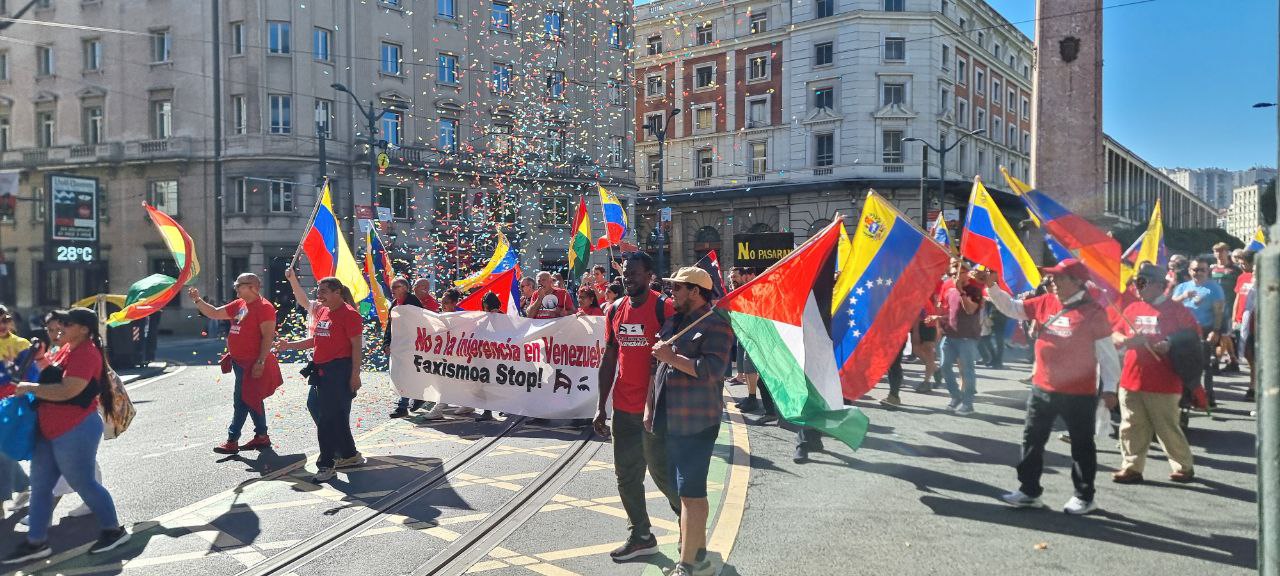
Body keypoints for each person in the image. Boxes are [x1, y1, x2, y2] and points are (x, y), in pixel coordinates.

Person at [985, 259, 1121, 515]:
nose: (1053, 283)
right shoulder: (1045, 302)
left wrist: (1111, 388)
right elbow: (1013, 308)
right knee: (1032, 439)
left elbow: (1107, 355)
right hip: (1043, 387)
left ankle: (1084, 496)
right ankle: (1029, 491)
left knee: (1081, 444)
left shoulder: (1094, 313)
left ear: (1077, 282)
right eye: (1052, 278)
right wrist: (992, 288)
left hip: (1078, 392)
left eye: (1060, 278)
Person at [4, 308, 129, 563]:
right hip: (49, 429)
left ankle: (113, 530)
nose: (61, 328)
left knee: (83, 482)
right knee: (40, 487)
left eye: (67, 324)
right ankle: (36, 542)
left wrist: (30, 388)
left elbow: (68, 390)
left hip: (76, 428)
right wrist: (39, 360)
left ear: (84, 328)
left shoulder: (86, 353)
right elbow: (52, 375)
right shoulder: (67, 348)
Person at [595, 252, 679, 563]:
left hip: (656, 411)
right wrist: (601, 406)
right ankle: (641, 536)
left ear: (650, 276)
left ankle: (690, 526)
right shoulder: (615, 309)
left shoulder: (665, 308)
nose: (628, 277)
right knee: (626, 476)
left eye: (634, 273)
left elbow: (677, 355)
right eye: (625, 273)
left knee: (664, 475)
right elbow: (609, 358)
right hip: (623, 409)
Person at [651, 266, 732, 576]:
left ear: (696, 291)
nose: (672, 293)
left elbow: (713, 370)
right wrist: (650, 408)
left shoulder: (715, 325)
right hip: (669, 419)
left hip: (696, 422)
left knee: (690, 493)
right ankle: (697, 550)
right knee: (687, 491)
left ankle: (689, 565)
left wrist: (672, 358)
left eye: (678, 288)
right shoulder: (675, 322)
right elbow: (657, 368)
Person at [1110, 264, 1197, 484]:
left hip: (1164, 381)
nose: (1137, 288)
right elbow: (1115, 333)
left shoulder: (1177, 310)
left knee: (1166, 427)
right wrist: (1126, 341)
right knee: (1131, 425)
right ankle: (1131, 467)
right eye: (1136, 283)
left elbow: (1192, 336)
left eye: (1142, 283)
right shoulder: (1132, 309)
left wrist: (1169, 343)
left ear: (1159, 285)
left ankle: (1183, 466)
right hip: (1131, 378)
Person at [275, 278, 366, 483]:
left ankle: (326, 465)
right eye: (318, 290)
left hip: (339, 371)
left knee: (327, 419)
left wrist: (355, 375)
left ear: (337, 292)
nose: (319, 295)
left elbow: (356, 347)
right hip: (322, 371)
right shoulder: (324, 311)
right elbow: (315, 340)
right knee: (338, 417)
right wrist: (288, 345)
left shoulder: (350, 315)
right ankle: (350, 455)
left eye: (324, 291)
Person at [189, 274, 281, 454]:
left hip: (252, 364)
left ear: (254, 287)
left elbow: (268, 337)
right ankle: (262, 436)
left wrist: (260, 362)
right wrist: (198, 300)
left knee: (241, 401)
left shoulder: (265, 308)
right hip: (240, 363)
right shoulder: (240, 304)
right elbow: (215, 313)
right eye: (236, 284)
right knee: (252, 398)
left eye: (240, 285)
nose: (236, 288)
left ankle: (232, 440)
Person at [1172, 257, 1225, 407]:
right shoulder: (1182, 287)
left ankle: (1208, 396)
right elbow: (1170, 305)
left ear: (1208, 271)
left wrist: (1215, 331)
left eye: (1202, 269)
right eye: (1195, 269)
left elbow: (1219, 312)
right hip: (1183, 331)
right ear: (1189, 271)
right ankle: (1186, 396)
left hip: (1205, 329)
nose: (1199, 273)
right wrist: (1184, 296)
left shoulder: (1214, 288)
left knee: (1205, 365)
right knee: (1183, 365)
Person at [939, 262, 983, 415]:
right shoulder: (949, 291)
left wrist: (961, 292)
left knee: (967, 370)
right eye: (952, 275)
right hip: (950, 335)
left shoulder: (974, 290)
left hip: (967, 337)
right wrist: (937, 319)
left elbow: (970, 310)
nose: (954, 277)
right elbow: (951, 313)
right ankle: (955, 396)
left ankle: (968, 403)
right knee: (944, 366)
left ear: (966, 273)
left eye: (957, 274)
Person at [388, 277, 426, 419]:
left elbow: (420, 322)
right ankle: (418, 396)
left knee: (405, 374)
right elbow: (389, 325)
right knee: (400, 374)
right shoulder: (394, 304)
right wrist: (387, 342)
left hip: (410, 345)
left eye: (395, 287)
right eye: (392, 287)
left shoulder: (413, 302)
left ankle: (403, 405)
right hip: (398, 345)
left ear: (404, 288)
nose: (392, 290)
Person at [1209, 243, 1242, 372]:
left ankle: (1215, 361)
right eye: (1216, 251)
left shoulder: (1235, 270)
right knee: (1221, 335)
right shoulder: (1212, 269)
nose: (1219, 253)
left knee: (1223, 334)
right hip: (1213, 308)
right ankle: (1233, 360)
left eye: (1222, 250)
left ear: (1227, 252)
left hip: (1229, 307)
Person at [1232, 249, 1256, 401]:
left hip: (1257, 324)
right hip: (1242, 322)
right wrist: (1234, 317)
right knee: (1247, 354)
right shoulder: (1242, 277)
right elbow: (1237, 298)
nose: (1241, 265)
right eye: (1239, 262)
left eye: (1244, 262)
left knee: (1255, 356)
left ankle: (1253, 386)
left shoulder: (1265, 277)